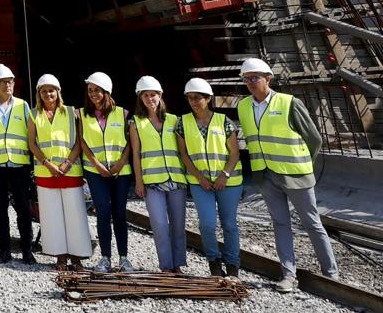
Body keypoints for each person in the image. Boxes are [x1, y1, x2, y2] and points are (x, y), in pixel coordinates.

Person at [237, 57, 338, 291]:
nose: (250, 82)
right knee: (280, 224)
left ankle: (331, 275)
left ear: (268, 79)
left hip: (295, 175)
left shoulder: (289, 103)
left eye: (255, 78)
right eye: (246, 79)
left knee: (312, 223)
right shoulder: (243, 106)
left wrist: (302, 164)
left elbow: (314, 139)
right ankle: (288, 276)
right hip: (265, 175)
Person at [177, 77, 242, 278]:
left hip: (229, 182)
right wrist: (199, 177)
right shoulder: (183, 123)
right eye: (190, 98)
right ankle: (214, 261)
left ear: (208, 99)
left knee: (229, 224)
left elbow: (234, 153)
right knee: (207, 224)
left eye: (197, 97)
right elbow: (184, 155)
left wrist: (225, 175)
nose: (193, 102)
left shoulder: (224, 121)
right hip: (200, 183)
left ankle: (232, 264)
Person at [29, 74, 90, 271]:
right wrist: (48, 164)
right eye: (44, 90)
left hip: (70, 172)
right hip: (46, 173)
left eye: (51, 90)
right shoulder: (33, 114)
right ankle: (60, 257)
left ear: (58, 92)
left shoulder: (72, 113)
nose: (48, 94)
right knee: (51, 216)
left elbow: (79, 142)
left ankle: (77, 257)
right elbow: (32, 143)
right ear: (39, 93)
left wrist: (67, 164)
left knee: (75, 215)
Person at [129, 76, 187, 273]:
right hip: (152, 182)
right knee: (160, 226)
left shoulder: (175, 120)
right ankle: (166, 267)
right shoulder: (136, 123)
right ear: (140, 98)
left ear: (160, 95)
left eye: (152, 94)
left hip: (176, 180)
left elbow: (183, 151)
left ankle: (178, 265)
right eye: (145, 95)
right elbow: (135, 154)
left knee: (178, 226)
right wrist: (138, 181)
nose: (149, 98)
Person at [79, 71, 134, 273]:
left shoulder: (123, 114)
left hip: (121, 171)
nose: (93, 94)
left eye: (97, 90)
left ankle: (124, 258)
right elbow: (83, 142)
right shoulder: (82, 115)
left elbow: (130, 141)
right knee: (102, 212)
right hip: (96, 171)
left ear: (106, 91)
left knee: (119, 214)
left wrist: (121, 162)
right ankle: (105, 258)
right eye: (90, 90)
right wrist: (96, 164)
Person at [0, 64, 35, 264]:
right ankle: (4, 249)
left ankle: (27, 250)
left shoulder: (23, 105)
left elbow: (32, 135)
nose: (8, 85)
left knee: (23, 208)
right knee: (0, 209)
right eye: (3, 82)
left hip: (19, 166)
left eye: (10, 81)